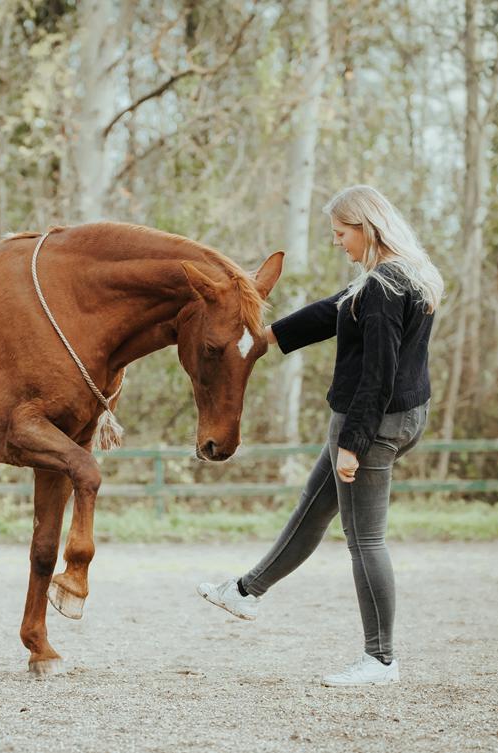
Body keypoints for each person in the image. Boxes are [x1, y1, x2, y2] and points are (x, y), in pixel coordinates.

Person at [197, 185, 443, 687]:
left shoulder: (380, 289)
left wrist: (353, 443)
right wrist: (268, 337)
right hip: (404, 416)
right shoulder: (406, 276)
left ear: (367, 228)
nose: (337, 242)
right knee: (314, 507)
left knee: (365, 540)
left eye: (340, 232)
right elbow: (334, 309)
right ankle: (246, 592)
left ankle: (380, 660)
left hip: (370, 422)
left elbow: (379, 371)